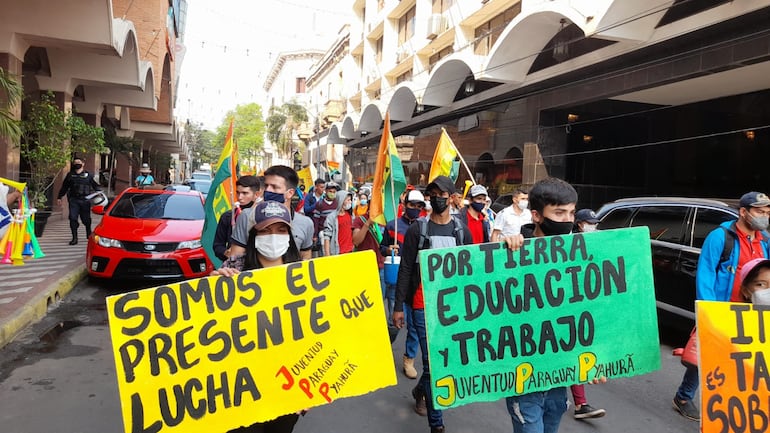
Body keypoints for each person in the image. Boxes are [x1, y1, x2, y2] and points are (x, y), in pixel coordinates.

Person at [392, 175, 523, 432]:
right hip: (422, 305)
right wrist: (398, 306)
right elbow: (406, 268)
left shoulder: (460, 230)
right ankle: (437, 424)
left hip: (452, 308)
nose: (437, 198)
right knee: (431, 362)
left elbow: (471, 269)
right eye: (433, 194)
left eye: (442, 194)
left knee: (441, 362)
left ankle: (421, 391)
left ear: (452, 198)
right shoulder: (419, 229)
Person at [505, 177, 597, 433]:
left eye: (571, 212)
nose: (567, 220)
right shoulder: (514, 252)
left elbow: (587, 311)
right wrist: (508, 249)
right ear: (536, 215)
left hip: (559, 374)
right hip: (525, 375)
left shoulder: (579, 255)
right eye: (559, 212)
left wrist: (598, 360)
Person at [673, 191, 770, 421]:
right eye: (759, 212)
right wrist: (709, 314)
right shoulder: (720, 237)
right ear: (744, 212)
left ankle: (739, 403)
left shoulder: (764, 240)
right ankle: (684, 396)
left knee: (746, 361)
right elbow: (705, 274)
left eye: (767, 213)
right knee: (708, 357)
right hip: (723, 309)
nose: (764, 217)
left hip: (751, 312)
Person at [213, 200, 303, 433]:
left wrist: (311, 386)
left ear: (289, 235)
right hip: (242, 385)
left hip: (287, 384)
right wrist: (212, 287)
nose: (273, 236)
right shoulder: (235, 268)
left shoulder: (304, 275)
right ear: (254, 234)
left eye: (281, 230)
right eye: (265, 230)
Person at [381, 189, 425, 380]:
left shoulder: (425, 227)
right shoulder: (393, 226)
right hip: (396, 281)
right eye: (412, 205)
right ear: (404, 205)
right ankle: (384, 348)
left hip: (416, 283)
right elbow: (382, 248)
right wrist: (389, 248)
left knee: (414, 326)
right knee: (394, 321)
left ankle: (409, 359)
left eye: (419, 206)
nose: (415, 209)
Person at [229, 166, 314, 261]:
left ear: (290, 193)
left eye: (274, 187)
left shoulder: (305, 223)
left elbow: (306, 256)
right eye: (266, 186)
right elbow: (235, 257)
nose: (268, 190)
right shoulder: (247, 216)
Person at [569, 208, 607, 420]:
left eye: (595, 223)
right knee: (571, 351)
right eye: (589, 223)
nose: (593, 226)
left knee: (575, 350)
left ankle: (580, 403)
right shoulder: (564, 243)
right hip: (567, 306)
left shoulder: (598, 244)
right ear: (580, 224)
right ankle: (579, 402)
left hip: (585, 305)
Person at [213, 175, 261, 261]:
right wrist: (226, 252)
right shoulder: (228, 216)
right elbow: (217, 245)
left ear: (256, 194)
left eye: (245, 193)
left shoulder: (263, 216)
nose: (240, 197)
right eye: (238, 192)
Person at [56, 157, 101, 245]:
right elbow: (64, 187)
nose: (77, 164)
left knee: (86, 219)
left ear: (83, 164)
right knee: (73, 218)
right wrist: (59, 197)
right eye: (75, 162)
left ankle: (88, 230)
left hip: (85, 200)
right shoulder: (70, 175)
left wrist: (99, 193)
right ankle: (74, 238)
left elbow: (95, 186)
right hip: (74, 200)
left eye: (79, 162)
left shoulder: (89, 175)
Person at [322, 189, 354, 256]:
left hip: (351, 251)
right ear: (341, 201)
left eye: (351, 200)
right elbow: (327, 237)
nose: (350, 202)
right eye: (348, 200)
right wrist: (327, 256)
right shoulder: (331, 217)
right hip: (337, 253)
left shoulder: (351, 215)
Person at [312, 182, 340, 256]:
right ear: (326, 191)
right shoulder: (320, 204)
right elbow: (316, 220)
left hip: (335, 233)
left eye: (334, 192)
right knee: (324, 253)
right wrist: (315, 235)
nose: (332, 193)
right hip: (323, 233)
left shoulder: (337, 203)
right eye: (330, 191)